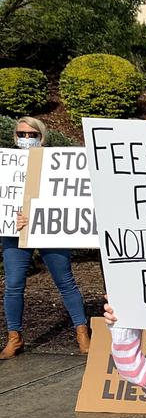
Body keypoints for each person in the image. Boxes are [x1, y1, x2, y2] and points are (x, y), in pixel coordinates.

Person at [1, 117, 90, 360]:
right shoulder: (6, 164)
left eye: (32, 134)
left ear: (42, 137)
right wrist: (11, 216)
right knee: (14, 284)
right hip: (15, 230)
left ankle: (82, 333)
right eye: (22, 134)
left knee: (65, 281)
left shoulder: (58, 164)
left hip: (50, 227)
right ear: (14, 136)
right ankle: (14, 338)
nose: (26, 138)